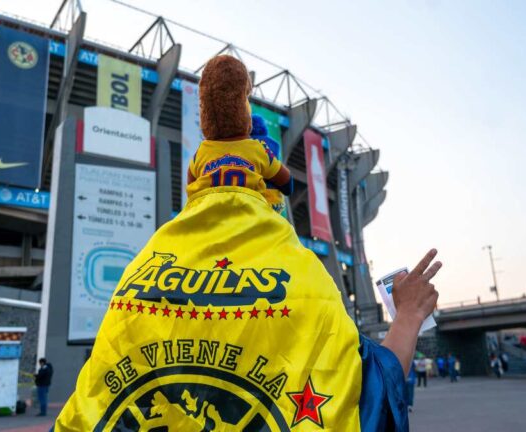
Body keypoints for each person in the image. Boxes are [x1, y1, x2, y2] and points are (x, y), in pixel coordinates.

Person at [53, 55, 443, 432]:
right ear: (269, 189)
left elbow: (90, 410)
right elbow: (363, 398)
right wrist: (408, 315)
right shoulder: (305, 278)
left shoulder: (137, 276)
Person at [186, 59, 293, 205]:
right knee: (287, 229)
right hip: (252, 220)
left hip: (208, 222)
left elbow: (191, 191)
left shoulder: (200, 154)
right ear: (243, 108)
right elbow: (287, 183)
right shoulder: (258, 148)